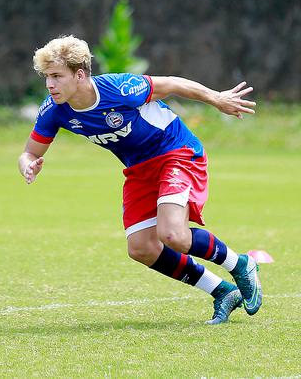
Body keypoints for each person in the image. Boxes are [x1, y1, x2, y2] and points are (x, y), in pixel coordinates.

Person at [18, 35, 262, 324]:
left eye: (57, 76)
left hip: (175, 152)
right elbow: (29, 152)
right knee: (141, 248)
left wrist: (216, 98)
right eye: (47, 77)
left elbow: (172, 83)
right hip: (139, 170)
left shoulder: (119, 88)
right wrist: (28, 165)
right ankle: (222, 291)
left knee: (173, 235)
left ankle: (240, 264)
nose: (50, 84)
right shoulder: (54, 110)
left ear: (79, 74)